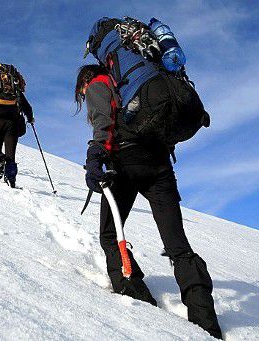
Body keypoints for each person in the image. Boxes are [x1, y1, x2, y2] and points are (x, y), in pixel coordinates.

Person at [77, 17, 223, 340]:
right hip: (158, 162)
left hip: (124, 162)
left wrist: (95, 156)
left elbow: (104, 122)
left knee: (108, 234)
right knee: (178, 246)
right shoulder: (148, 66)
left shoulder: (100, 80)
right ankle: (207, 325)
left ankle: (136, 297)